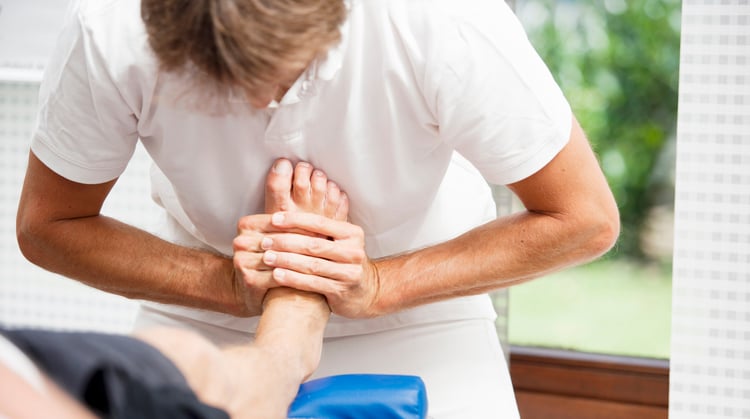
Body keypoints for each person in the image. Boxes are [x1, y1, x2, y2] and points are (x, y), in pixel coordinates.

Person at [15, 0, 620, 417]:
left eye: (271, 76)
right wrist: (224, 282)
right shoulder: (112, 29)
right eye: (213, 81)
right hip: (201, 309)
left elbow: (584, 216)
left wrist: (380, 284)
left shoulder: (439, 20)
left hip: (423, 310)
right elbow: (49, 225)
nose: (253, 101)